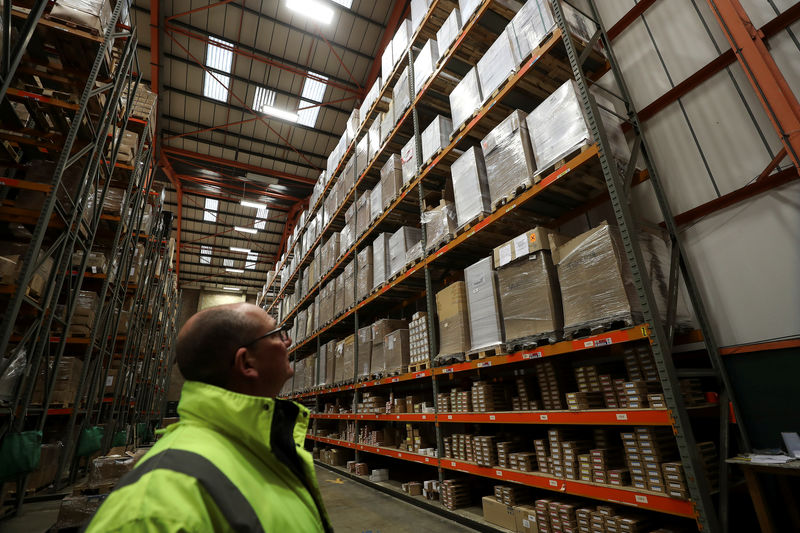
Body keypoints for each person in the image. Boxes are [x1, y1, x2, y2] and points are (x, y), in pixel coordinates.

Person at [86, 302, 333, 532]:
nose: (287, 342)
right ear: (246, 362)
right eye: (277, 334)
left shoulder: (265, 450)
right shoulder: (151, 508)